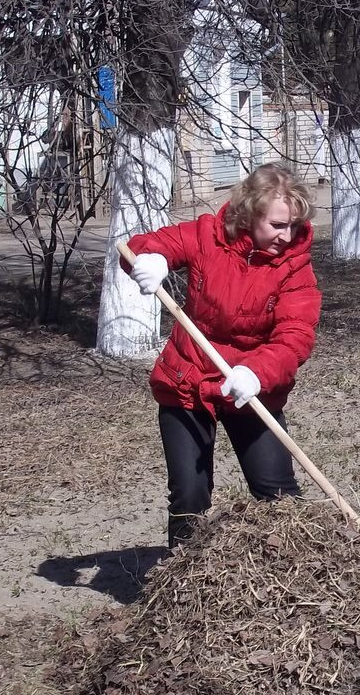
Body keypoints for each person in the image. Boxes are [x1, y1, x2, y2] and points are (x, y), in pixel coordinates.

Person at [120, 163, 322, 548]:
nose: (287, 235)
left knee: (276, 492)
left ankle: (302, 574)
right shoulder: (207, 235)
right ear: (249, 215)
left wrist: (256, 373)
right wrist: (153, 259)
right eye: (278, 225)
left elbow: (295, 336)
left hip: (249, 386)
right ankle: (180, 586)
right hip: (188, 381)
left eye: (294, 225)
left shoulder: (296, 267)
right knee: (189, 496)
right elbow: (145, 245)